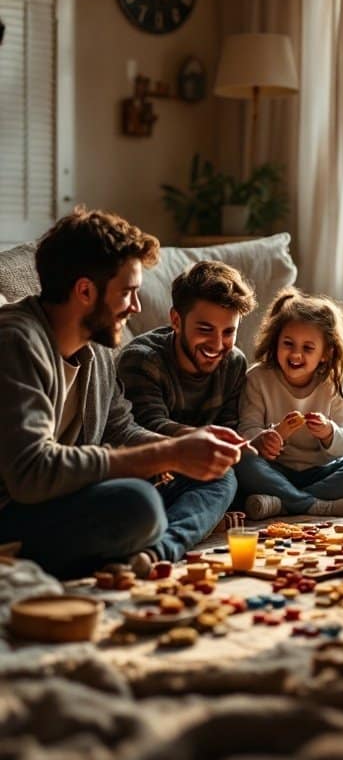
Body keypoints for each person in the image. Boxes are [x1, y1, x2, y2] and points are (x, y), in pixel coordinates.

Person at [0, 207, 246, 579]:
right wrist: (165, 453)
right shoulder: (17, 341)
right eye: (128, 293)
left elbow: (120, 429)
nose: (136, 307)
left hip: (68, 496)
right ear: (85, 291)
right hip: (14, 509)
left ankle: (151, 553)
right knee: (137, 505)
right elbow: (32, 473)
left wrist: (188, 447)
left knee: (216, 475)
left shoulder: (96, 348)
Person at [117, 260, 256, 557]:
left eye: (228, 332)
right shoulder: (142, 359)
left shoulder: (234, 363)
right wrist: (201, 440)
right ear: (176, 321)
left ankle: (160, 550)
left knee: (235, 474)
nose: (217, 344)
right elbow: (147, 425)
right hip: (147, 470)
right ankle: (198, 518)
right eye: (205, 329)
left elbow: (230, 426)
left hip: (198, 473)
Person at [236, 288, 343, 520]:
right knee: (242, 460)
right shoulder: (258, 378)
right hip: (274, 472)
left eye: (308, 348)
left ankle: (284, 504)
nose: (296, 354)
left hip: (320, 473)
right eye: (288, 344)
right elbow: (247, 431)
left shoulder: (334, 381)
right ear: (275, 341)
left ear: (325, 354)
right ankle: (312, 504)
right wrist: (269, 437)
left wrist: (329, 432)